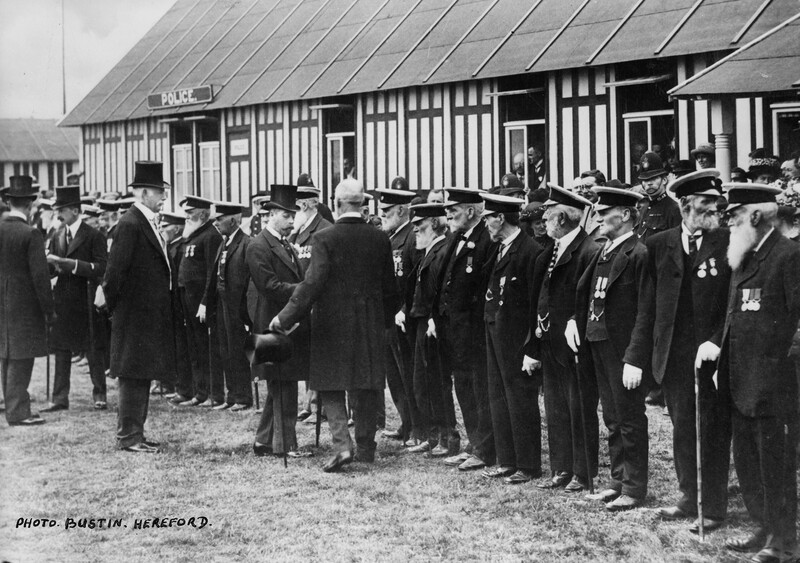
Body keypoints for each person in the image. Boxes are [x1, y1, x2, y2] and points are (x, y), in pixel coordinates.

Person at [271, 178, 398, 472]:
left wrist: (284, 317)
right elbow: (391, 289)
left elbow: (312, 284)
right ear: (362, 203)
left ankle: (342, 446)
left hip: (331, 323)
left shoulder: (325, 238)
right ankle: (366, 446)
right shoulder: (380, 239)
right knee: (366, 384)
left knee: (330, 385)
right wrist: (386, 322)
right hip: (369, 322)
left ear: (338, 203)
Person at [647, 170, 732, 533]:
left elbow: (732, 300)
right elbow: (648, 305)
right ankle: (687, 495)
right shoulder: (658, 244)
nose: (715, 209)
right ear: (685, 206)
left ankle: (712, 505)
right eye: (706, 203)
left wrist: (716, 339)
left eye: (716, 203)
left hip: (713, 353)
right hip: (675, 355)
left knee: (711, 427)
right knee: (682, 426)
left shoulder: (727, 241)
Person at [720, 183, 800, 563]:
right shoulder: (745, 259)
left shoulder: (788, 257)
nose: (729, 223)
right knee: (748, 462)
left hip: (774, 386)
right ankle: (763, 527)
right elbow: (733, 319)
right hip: (740, 381)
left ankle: (784, 541)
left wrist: (779, 368)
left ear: (755, 216)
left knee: (776, 466)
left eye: (734, 216)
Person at [567, 185, 654, 511]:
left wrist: (635, 358)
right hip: (597, 343)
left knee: (630, 417)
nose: (599, 217)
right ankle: (618, 479)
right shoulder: (604, 251)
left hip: (622, 349)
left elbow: (646, 312)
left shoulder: (639, 254)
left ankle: (634, 486)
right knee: (613, 418)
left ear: (627, 214)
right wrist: (577, 322)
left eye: (606, 212)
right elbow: (589, 295)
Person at [524, 184, 599, 493]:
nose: (544, 221)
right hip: (549, 340)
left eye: (550, 215)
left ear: (565, 218)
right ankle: (561, 468)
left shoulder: (586, 250)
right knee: (555, 407)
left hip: (573, 342)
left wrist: (572, 322)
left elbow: (584, 297)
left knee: (578, 407)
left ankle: (583, 472)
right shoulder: (550, 251)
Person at [103, 161, 175, 452]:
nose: (164, 198)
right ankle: (128, 436)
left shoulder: (142, 222)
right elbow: (114, 274)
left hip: (144, 316)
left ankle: (135, 433)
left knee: (141, 373)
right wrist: (117, 309)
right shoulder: (131, 224)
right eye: (160, 193)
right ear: (145, 192)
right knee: (133, 375)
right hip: (134, 316)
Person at [481, 192, 544, 484]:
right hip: (496, 332)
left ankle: (528, 464)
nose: (486, 225)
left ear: (500, 218)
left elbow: (535, 304)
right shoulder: (503, 248)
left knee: (520, 399)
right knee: (498, 396)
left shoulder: (529, 251)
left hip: (517, 338)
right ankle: (507, 459)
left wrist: (532, 346)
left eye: (488, 219)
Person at [248, 185, 310, 457]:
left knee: (280, 383)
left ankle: (264, 440)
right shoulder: (258, 245)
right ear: (271, 214)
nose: (291, 222)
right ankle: (285, 445)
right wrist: (303, 290)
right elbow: (269, 286)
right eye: (286, 216)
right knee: (282, 384)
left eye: (293, 216)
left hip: (284, 323)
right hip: (271, 323)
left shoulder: (283, 243)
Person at [438, 187, 496, 471]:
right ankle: (474, 442)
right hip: (456, 329)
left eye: (454, 210)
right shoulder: (458, 238)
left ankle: (484, 448)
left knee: (478, 387)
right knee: (464, 384)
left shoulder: (485, 240)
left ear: (471, 211)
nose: (448, 214)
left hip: (474, 331)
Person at [42, 186, 108, 412]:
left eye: (62, 210)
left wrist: (75, 266)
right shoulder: (57, 234)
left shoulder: (94, 236)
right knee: (61, 348)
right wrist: (49, 267)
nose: (58, 214)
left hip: (86, 298)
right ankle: (60, 397)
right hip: (63, 299)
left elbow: (102, 267)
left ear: (75, 210)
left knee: (93, 348)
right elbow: (52, 269)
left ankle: (100, 394)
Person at [0, 175, 54, 426]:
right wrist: (49, 310)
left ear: (9, 202)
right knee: (22, 357)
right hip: (24, 305)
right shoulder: (31, 234)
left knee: (6, 354)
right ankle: (18, 411)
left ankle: (11, 404)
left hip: (2, 302)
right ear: (29, 206)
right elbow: (40, 277)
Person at [403, 203, 452, 455]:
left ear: (434, 224)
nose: (415, 233)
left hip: (433, 324)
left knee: (435, 381)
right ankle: (435, 435)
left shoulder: (442, 251)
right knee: (424, 381)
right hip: (424, 321)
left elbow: (442, 290)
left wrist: (434, 318)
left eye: (420, 227)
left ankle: (445, 436)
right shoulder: (431, 251)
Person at [375, 183, 418, 444]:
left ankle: (416, 427)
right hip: (389, 318)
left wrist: (404, 310)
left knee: (407, 374)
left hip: (405, 318)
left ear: (401, 210)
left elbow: (413, 280)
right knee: (395, 376)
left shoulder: (411, 237)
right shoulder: (391, 239)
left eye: (387, 210)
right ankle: (406, 423)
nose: (382, 215)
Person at [176, 195, 224, 408]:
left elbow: (211, 273)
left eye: (190, 213)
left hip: (201, 303)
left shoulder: (210, 236)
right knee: (194, 346)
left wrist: (205, 301)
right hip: (188, 299)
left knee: (206, 348)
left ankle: (213, 393)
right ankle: (199, 392)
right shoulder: (192, 235)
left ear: (203, 214)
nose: (186, 217)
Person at [290, 185, 332, 423]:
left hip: (319, 303)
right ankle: (310, 403)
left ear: (304, 205)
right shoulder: (297, 232)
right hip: (303, 303)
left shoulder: (325, 229)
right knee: (308, 354)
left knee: (322, 356)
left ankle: (324, 407)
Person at [209, 202, 253, 411]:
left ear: (233, 220)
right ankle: (232, 395)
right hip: (223, 304)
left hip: (238, 307)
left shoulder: (246, 244)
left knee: (238, 351)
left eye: (220, 219)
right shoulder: (224, 243)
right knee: (225, 350)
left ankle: (243, 397)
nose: (216, 223)